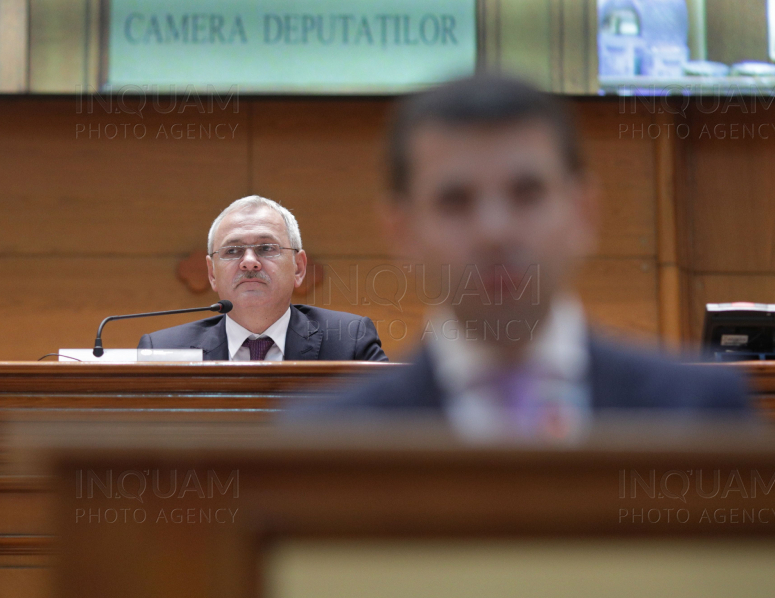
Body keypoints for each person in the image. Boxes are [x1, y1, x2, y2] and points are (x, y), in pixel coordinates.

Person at [306, 75, 747, 437]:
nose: (495, 231)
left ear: (583, 213)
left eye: (527, 194)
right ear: (401, 232)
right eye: (456, 201)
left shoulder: (700, 412)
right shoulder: (329, 439)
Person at [138, 196, 387, 362]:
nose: (249, 261)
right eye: (232, 251)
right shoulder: (163, 351)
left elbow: (392, 432)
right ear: (212, 273)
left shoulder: (350, 342)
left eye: (266, 248)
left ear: (298, 268)